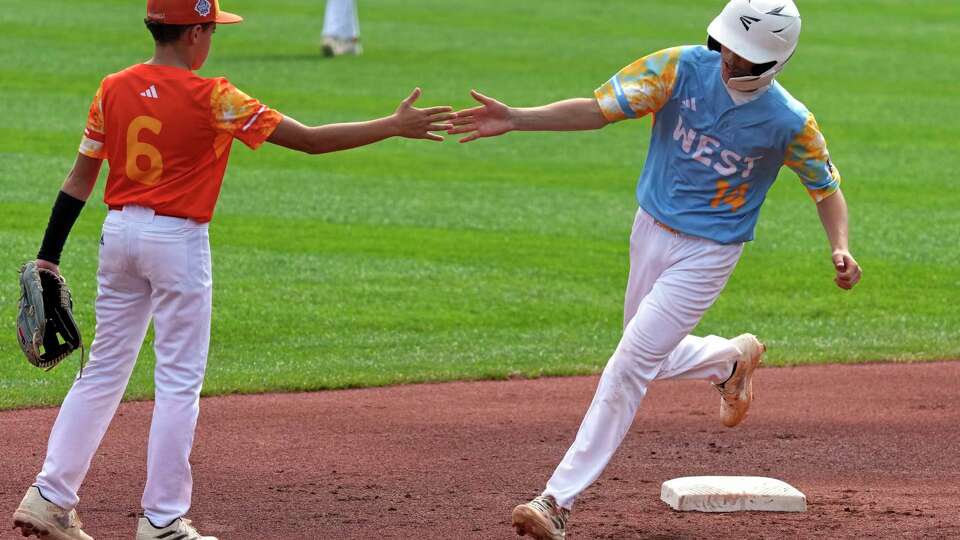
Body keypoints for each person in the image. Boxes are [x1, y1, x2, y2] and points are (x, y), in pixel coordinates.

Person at [10, 1, 452, 539]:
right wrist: (392, 125)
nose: (213, 38)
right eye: (211, 28)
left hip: (118, 235)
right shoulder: (216, 96)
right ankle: (162, 520)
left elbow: (80, 178)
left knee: (102, 371)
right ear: (194, 31)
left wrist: (48, 254)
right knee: (177, 382)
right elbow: (310, 141)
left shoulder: (114, 87)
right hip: (177, 242)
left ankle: (50, 495)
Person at [448, 1, 861, 538]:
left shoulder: (789, 122)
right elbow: (598, 109)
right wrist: (517, 118)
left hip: (709, 253)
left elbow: (825, 188)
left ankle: (556, 501)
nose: (731, 58)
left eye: (745, 54)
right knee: (646, 356)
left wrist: (841, 247)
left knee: (628, 365)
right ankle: (729, 361)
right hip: (649, 230)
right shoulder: (678, 68)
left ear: (773, 63)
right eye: (729, 45)